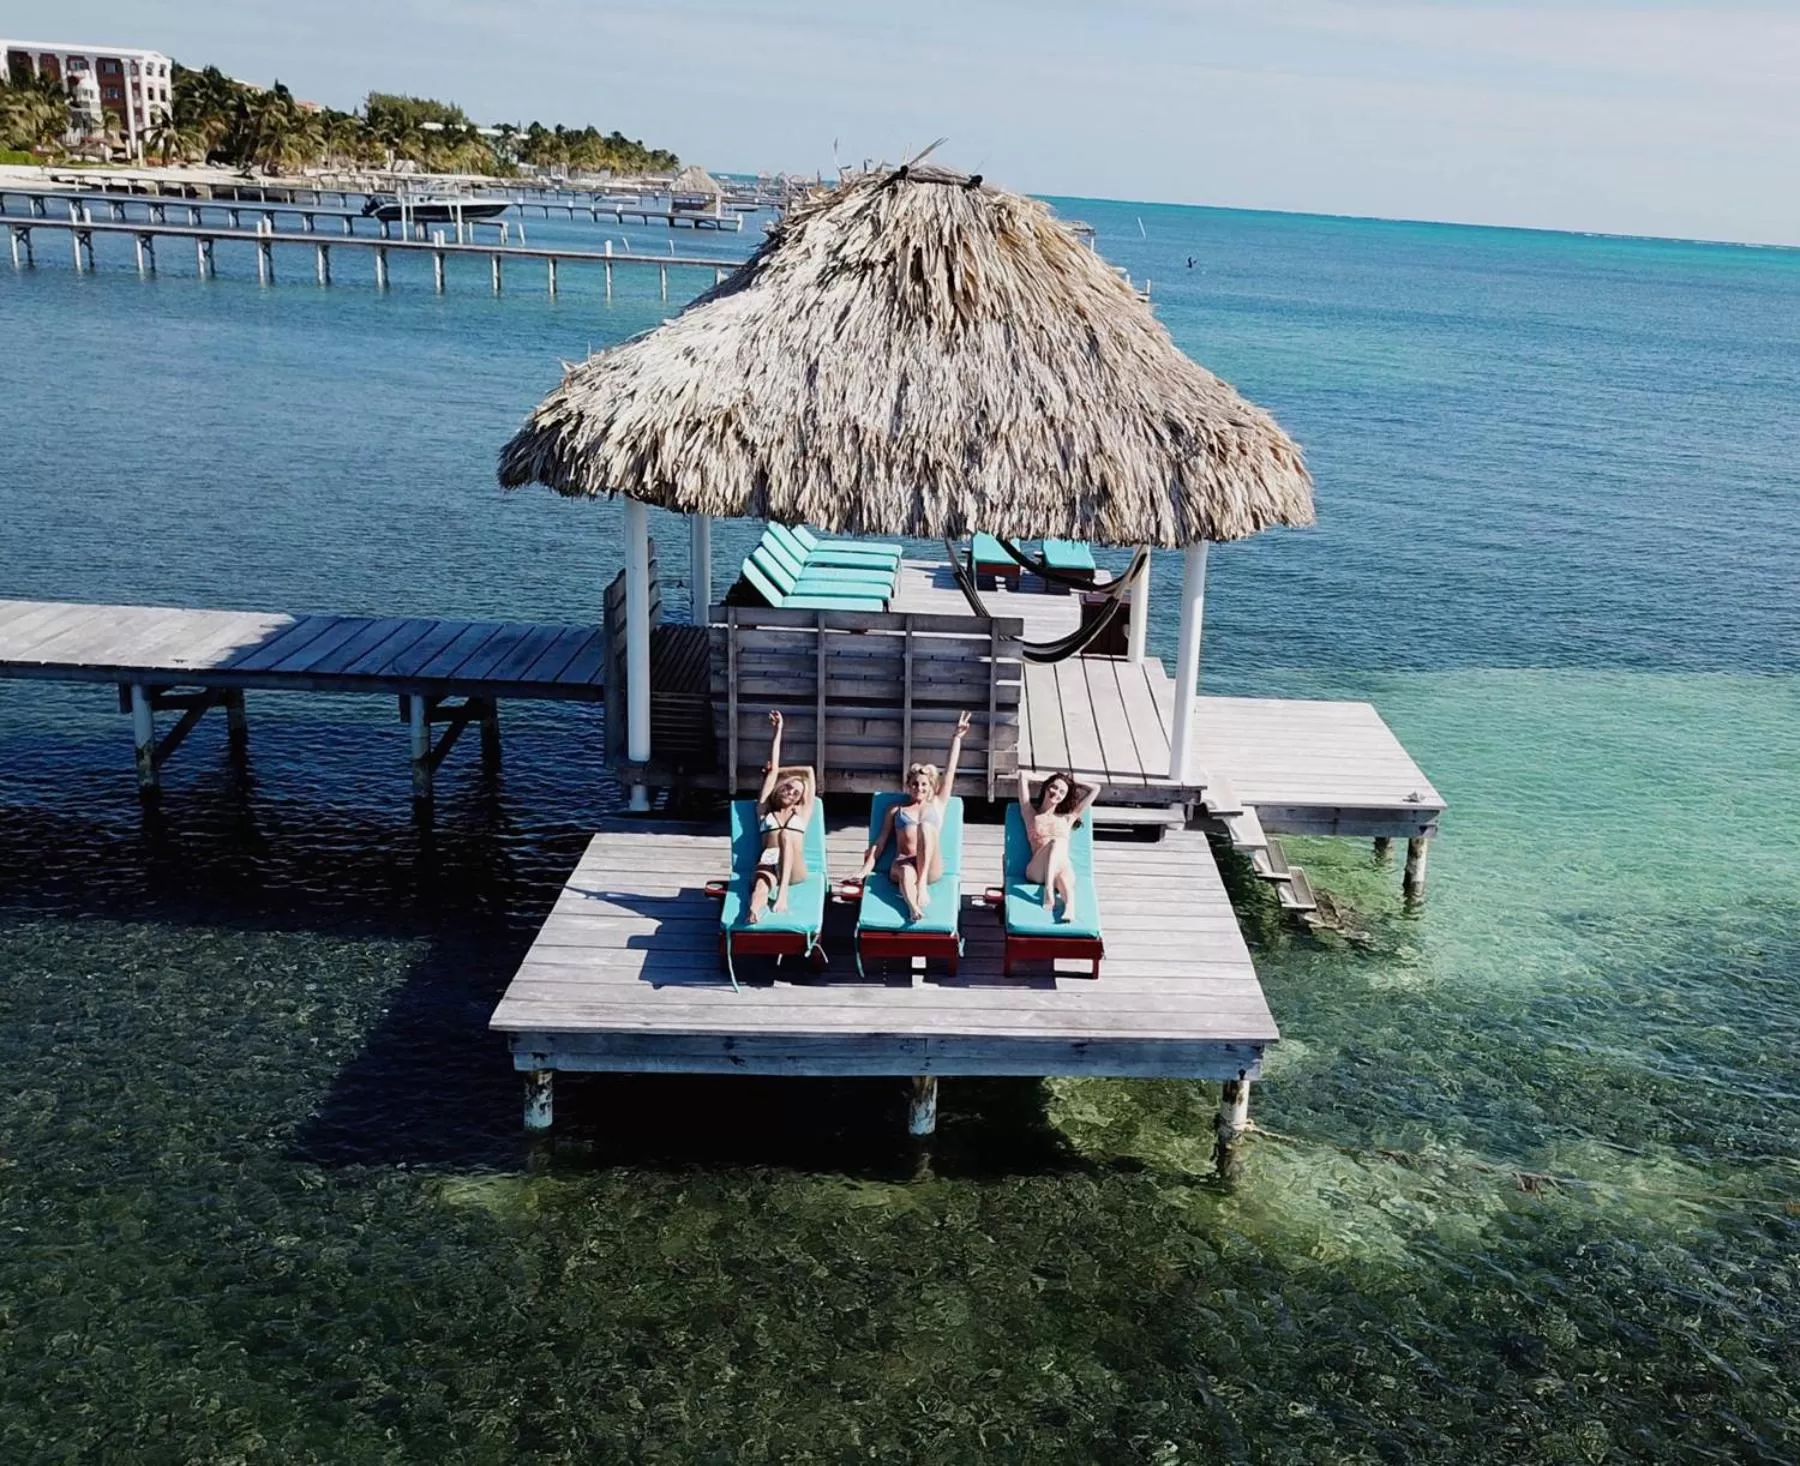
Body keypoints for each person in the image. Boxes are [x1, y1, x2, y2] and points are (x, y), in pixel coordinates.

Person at [858, 711, 971, 923]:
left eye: (924, 784)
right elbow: (880, 843)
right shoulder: (896, 809)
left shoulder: (937, 804)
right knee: (906, 872)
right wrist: (864, 870)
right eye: (915, 784)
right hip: (903, 864)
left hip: (930, 868)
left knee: (926, 828)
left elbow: (950, 773)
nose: (919, 787)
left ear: (931, 788)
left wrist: (957, 738)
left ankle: (921, 885)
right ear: (909, 786)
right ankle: (913, 908)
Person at [747, 709, 815, 924]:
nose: (791, 793)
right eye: (788, 788)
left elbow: (809, 773)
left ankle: (782, 893)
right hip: (769, 862)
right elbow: (774, 770)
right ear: (780, 788)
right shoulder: (764, 810)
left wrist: (785, 772)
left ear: (799, 800)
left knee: (786, 835)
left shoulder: (802, 813)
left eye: (796, 793)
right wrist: (778, 730)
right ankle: (753, 913)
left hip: (795, 868)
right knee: (760, 885)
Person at [1018, 768, 1099, 922]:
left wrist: (1070, 782)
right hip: (1037, 871)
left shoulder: (1068, 818)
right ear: (1046, 787)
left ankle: (1070, 908)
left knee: (1064, 875)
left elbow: (1096, 789)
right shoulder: (1030, 814)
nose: (1056, 793)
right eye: (1053, 787)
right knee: (1055, 843)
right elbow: (1023, 776)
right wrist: (1050, 779)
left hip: (1061, 869)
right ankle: (1048, 889)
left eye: (1062, 792)